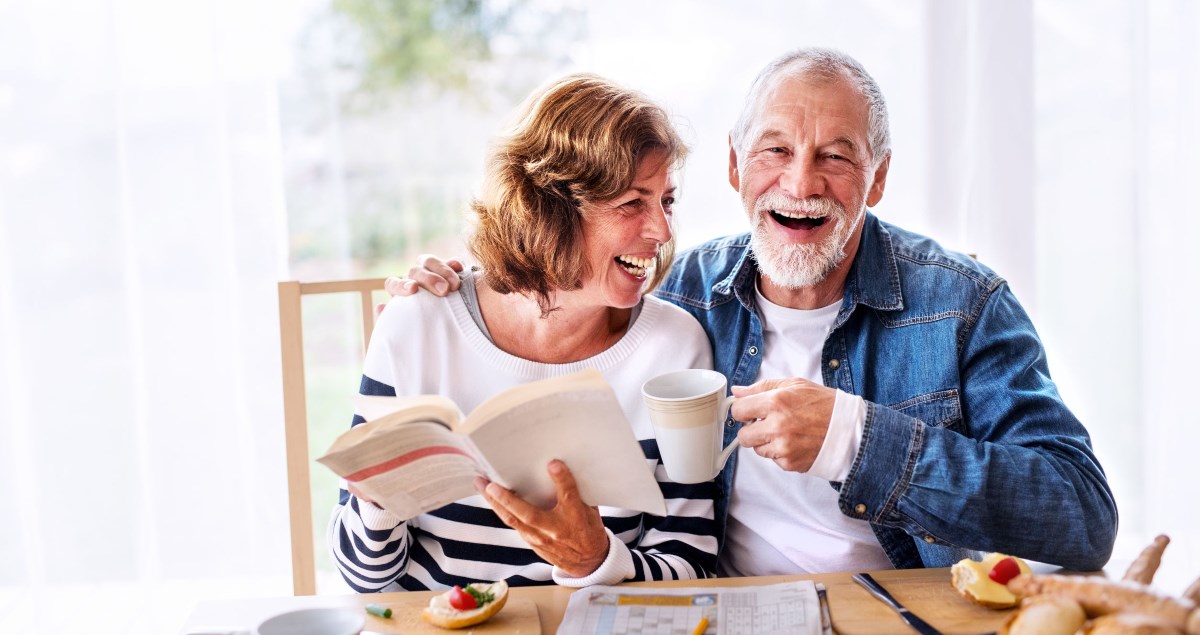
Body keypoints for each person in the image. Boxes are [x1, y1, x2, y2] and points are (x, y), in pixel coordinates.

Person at [392, 48, 1120, 576]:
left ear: (880, 175)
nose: (801, 182)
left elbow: (1084, 518)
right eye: (776, 149)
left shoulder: (962, 303)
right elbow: (561, 290)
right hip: (722, 609)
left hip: (901, 611)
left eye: (837, 156)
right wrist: (465, 282)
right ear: (736, 167)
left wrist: (855, 438)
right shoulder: (679, 298)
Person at [329, 73, 721, 593]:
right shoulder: (418, 324)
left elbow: (692, 561)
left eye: (666, 201)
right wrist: (380, 496)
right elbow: (361, 576)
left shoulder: (675, 346)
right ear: (550, 210)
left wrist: (596, 560)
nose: (663, 230)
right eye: (633, 203)